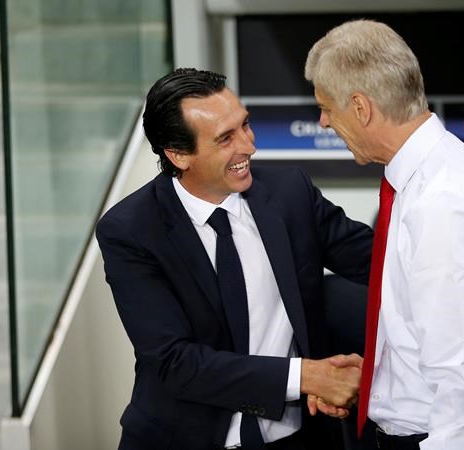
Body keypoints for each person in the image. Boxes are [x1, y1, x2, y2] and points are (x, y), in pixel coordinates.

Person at [95, 68, 373, 450]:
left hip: (297, 439)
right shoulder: (131, 230)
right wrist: (307, 377)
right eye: (226, 138)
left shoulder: (290, 193)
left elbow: (378, 262)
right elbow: (176, 363)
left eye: (245, 126)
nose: (249, 146)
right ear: (178, 154)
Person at [304, 20, 464, 450]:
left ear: (360, 107)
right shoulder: (428, 175)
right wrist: (385, 369)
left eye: (326, 107)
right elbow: (432, 326)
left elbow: (457, 374)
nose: (323, 122)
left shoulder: (439, 200)